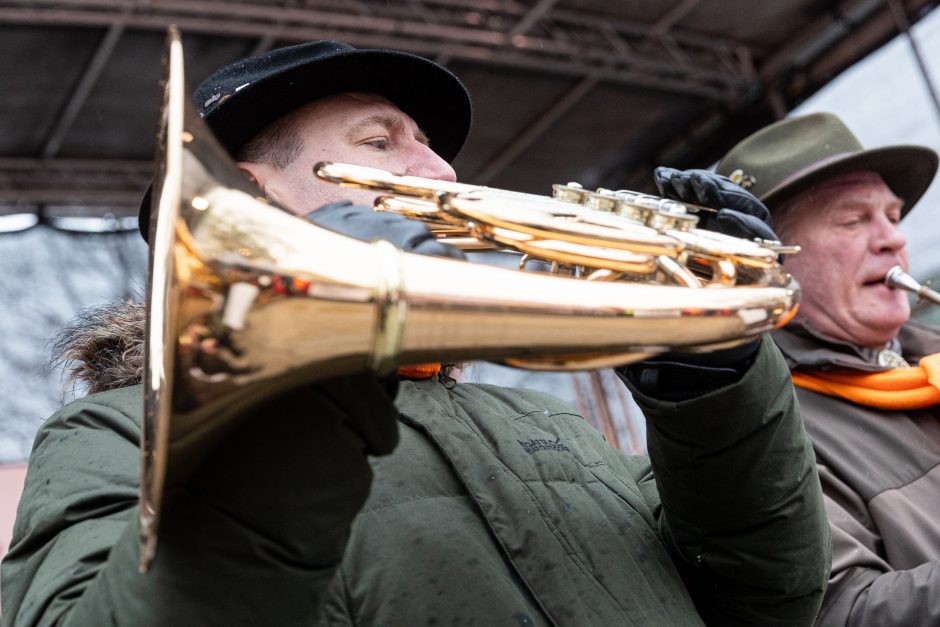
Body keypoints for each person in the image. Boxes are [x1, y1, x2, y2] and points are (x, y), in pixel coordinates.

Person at [1, 41, 829, 626]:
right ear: (249, 199)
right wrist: (306, 357)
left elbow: (765, 599)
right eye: (380, 142)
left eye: (431, 147)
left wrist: (716, 382)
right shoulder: (111, 437)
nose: (444, 176)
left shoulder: (541, 423)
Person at [663, 112, 940, 626]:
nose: (892, 241)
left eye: (893, 217)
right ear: (771, 264)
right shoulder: (758, 436)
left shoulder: (928, 359)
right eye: (854, 220)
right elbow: (840, 611)